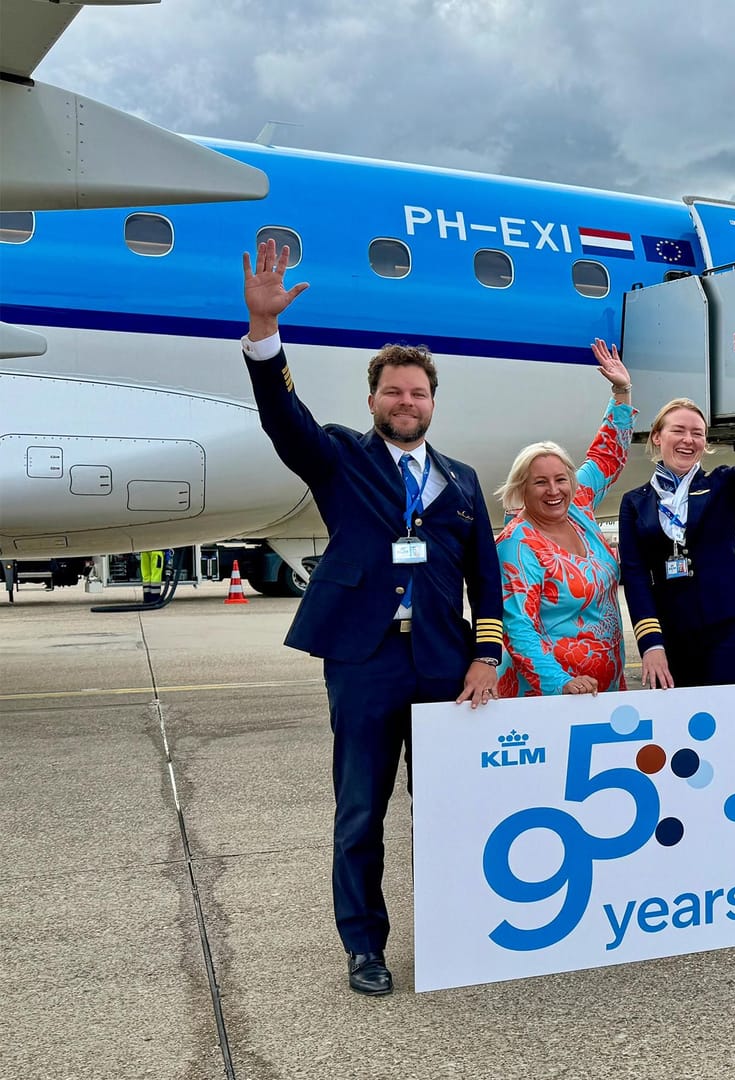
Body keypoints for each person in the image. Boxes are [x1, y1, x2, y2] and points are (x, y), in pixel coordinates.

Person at [238, 239, 503, 997]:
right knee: (361, 812)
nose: (406, 402)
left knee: (451, 810)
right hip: (363, 661)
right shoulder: (340, 458)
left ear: (432, 401)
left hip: (446, 669)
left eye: (418, 392)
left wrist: (486, 657)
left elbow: (487, 581)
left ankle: (460, 932)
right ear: (373, 399)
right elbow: (282, 418)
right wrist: (264, 336)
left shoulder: (461, 482)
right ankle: (365, 946)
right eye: (393, 391)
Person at [618, 329, 735, 688]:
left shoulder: (722, 484)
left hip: (732, 627)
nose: (689, 440)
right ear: (657, 437)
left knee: (734, 729)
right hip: (674, 635)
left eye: (698, 433)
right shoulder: (635, 503)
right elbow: (634, 578)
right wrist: (650, 643)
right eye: (679, 430)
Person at [493, 340, 633, 697]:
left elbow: (606, 457)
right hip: (551, 696)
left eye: (560, 480)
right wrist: (561, 683)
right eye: (540, 482)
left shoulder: (578, 506)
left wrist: (621, 391)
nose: (553, 490)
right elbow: (518, 627)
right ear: (522, 489)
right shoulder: (517, 544)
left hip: (604, 688)